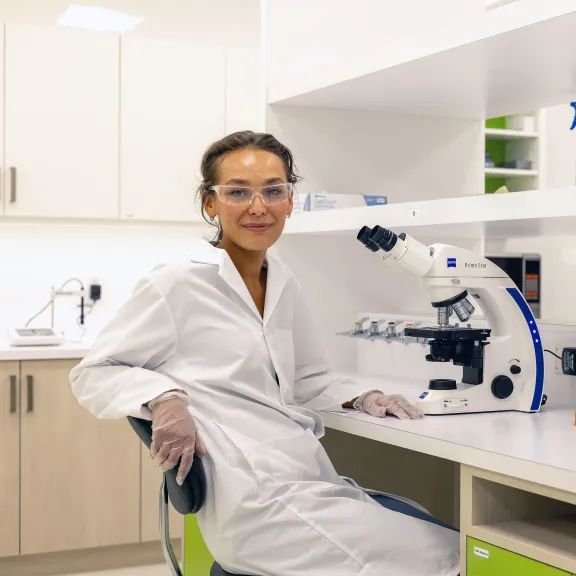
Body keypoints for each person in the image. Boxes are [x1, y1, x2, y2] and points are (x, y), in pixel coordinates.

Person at [70, 131, 460, 576]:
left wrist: (367, 397)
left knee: (434, 530)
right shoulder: (177, 283)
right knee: (454, 556)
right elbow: (94, 373)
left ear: (290, 201)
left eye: (274, 191)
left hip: (303, 479)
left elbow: (309, 378)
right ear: (209, 203)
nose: (259, 207)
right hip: (254, 504)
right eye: (238, 192)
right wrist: (164, 398)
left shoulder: (283, 281)